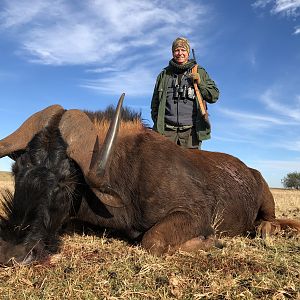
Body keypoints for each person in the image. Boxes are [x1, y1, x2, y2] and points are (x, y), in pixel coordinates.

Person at [151, 37, 219, 149]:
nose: (180, 53)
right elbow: (155, 104)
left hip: (191, 134)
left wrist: (200, 83)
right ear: (173, 52)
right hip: (166, 134)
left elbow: (214, 96)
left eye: (183, 50)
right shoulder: (164, 75)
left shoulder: (199, 71)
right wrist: (158, 124)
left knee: (191, 167)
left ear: (188, 52)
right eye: (177, 50)